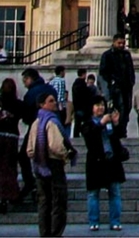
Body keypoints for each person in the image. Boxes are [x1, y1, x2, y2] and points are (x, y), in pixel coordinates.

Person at [27, 89, 75, 237]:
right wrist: (66, 154)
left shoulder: (36, 122)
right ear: (42, 104)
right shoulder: (52, 121)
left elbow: (29, 149)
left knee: (44, 202)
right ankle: (55, 232)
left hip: (40, 166)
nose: (54, 103)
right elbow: (56, 146)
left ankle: (45, 232)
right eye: (50, 101)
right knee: (57, 201)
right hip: (53, 165)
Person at [82, 95, 127, 231]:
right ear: (91, 108)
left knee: (115, 192)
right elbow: (90, 138)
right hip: (96, 162)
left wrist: (117, 123)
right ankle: (94, 221)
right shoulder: (87, 123)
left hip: (111, 161)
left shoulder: (109, 122)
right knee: (93, 193)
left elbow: (118, 137)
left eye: (102, 105)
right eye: (97, 105)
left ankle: (115, 221)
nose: (100, 108)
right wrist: (101, 124)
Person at [19, 68, 58, 206]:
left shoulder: (31, 93)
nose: (24, 83)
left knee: (24, 156)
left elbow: (27, 113)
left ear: (31, 79)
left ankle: (31, 183)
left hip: (36, 127)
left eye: (25, 80)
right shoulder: (50, 89)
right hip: (52, 125)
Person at [98, 33, 135, 136]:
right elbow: (103, 71)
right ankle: (117, 130)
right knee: (118, 108)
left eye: (123, 43)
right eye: (119, 43)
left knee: (126, 108)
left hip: (126, 87)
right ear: (114, 43)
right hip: (115, 87)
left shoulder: (126, 55)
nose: (121, 45)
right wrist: (111, 81)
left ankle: (122, 129)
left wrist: (131, 82)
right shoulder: (107, 55)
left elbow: (130, 70)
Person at [0, 76, 22, 211]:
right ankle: (10, 194)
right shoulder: (17, 103)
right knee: (10, 166)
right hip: (12, 136)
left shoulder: (1, 102)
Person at [71, 68, 93, 138]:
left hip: (77, 107)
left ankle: (76, 136)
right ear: (84, 74)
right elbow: (86, 96)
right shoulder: (83, 84)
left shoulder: (75, 84)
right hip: (84, 108)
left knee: (77, 124)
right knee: (86, 123)